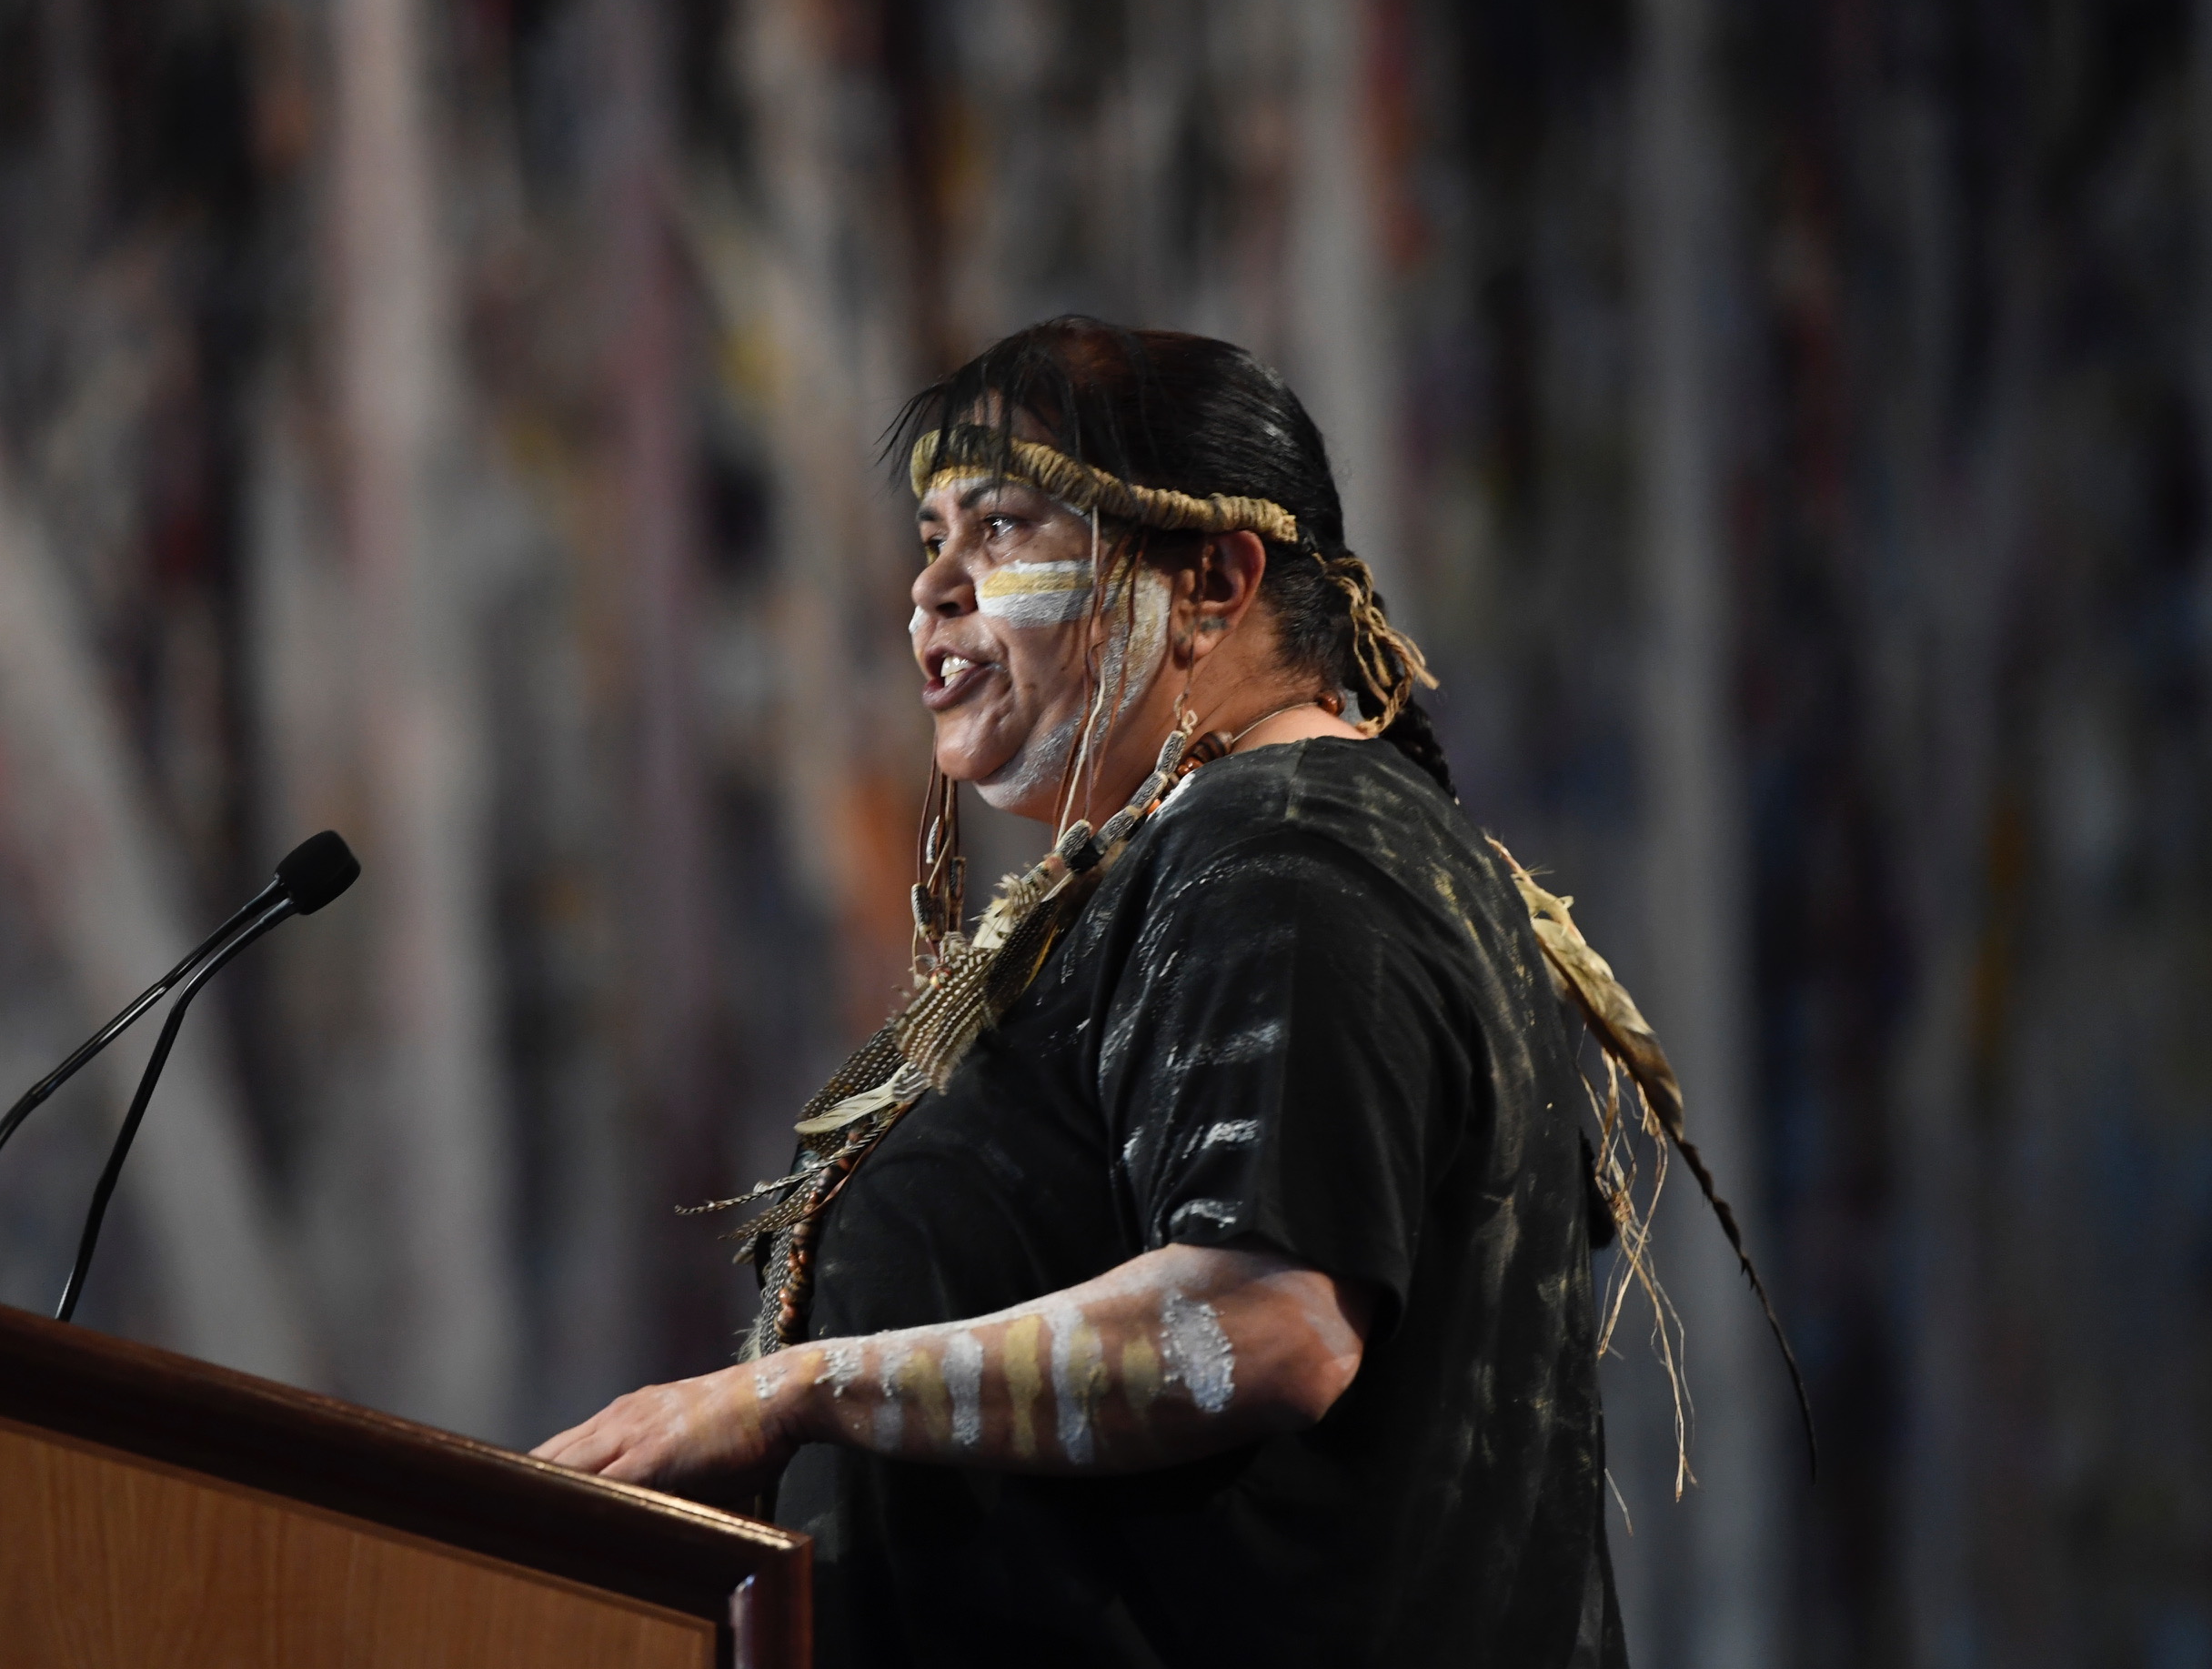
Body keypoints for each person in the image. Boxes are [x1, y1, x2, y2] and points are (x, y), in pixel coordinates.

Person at [535, 318, 1628, 1666]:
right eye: (928, 537)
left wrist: (789, 1394)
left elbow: (1265, 1326)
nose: (931, 589)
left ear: (1218, 580)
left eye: (1000, 530)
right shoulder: (1243, 851)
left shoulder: (1287, 844)